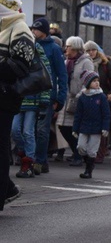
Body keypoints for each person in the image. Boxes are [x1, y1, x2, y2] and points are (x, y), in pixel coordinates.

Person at [0, 0, 35, 211]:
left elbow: (21, 66)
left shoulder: (19, 28)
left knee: (1, 148)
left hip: (5, 98)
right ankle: (8, 188)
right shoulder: (3, 27)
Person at [30, 17, 67, 175]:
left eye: (36, 29)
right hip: (31, 95)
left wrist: (60, 98)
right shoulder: (31, 45)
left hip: (48, 96)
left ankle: (40, 160)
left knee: (42, 130)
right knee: (29, 129)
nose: (33, 31)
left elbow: (62, 75)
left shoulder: (54, 49)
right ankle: (36, 160)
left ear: (43, 32)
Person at [11, 42, 51, 178]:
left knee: (28, 132)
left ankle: (28, 163)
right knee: (14, 130)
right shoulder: (16, 53)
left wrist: (44, 100)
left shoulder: (39, 54)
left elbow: (46, 77)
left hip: (33, 100)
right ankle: (26, 155)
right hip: (19, 99)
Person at [57, 36, 95, 167]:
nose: (65, 49)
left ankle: (78, 155)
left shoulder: (86, 61)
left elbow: (90, 80)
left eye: (68, 46)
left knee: (75, 128)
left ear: (74, 47)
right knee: (62, 126)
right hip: (66, 99)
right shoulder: (66, 61)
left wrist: (81, 94)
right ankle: (76, 152)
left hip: (79, 99)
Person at [84, 41, 111, 161]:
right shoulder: (84, 62)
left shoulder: (105, 64)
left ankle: (100, 152)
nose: (91, 52)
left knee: (102, 126)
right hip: (87, 98)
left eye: (93, 50)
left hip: (102, 98)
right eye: (88, 50)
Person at [72, 71, 110, 178]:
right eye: (94, 81)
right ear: (88, 83)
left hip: (96, 128)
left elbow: (106, 114)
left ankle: (88, 170)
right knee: (81, 147)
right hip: (84, 127)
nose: (97, 83)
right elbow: (78, 114)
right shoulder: (83, 97)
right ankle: (88, 163)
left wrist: (105, 128)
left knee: (92, 150)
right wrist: (75, 129)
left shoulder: (101, 97)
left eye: (98, 81)